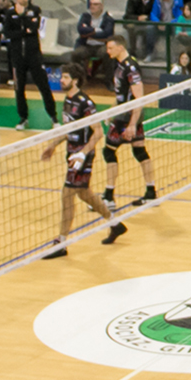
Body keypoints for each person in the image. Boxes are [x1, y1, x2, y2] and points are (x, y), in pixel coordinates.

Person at [39, 63, 128, 257]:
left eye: (65, 77)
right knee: (84, 193)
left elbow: (98, 132)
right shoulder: (67, 100)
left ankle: (61, 242)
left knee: (67, 193)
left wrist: (82, 154)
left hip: (82, 157)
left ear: (76, 80)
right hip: (72, 154)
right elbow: (68, 129)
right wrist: (53, 145)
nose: (61, 80)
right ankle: (114, 223)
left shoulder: (85, 103)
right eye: (61, 77)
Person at [102, 35, 157, 207]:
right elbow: (121, 94)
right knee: (139, 152)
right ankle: (151, 192)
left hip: (127, 116)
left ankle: (109, 197)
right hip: (123, 113)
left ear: (120, 47)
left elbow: (138, 98)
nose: (107, 51)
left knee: (108, 152)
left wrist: (132, 124)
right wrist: (112, 110)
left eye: (110, 48)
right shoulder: (119, 65)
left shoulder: (131, 68)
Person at [0, 0, 57, 129]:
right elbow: (8, 33)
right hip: (17, 57)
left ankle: (53, 117)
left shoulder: (35, 10)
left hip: (34, 55)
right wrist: (24, 30)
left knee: (44, 87)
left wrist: (22, 18)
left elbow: (33, 28)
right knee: (19, 89)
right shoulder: (10, 13)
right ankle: (23, 118)